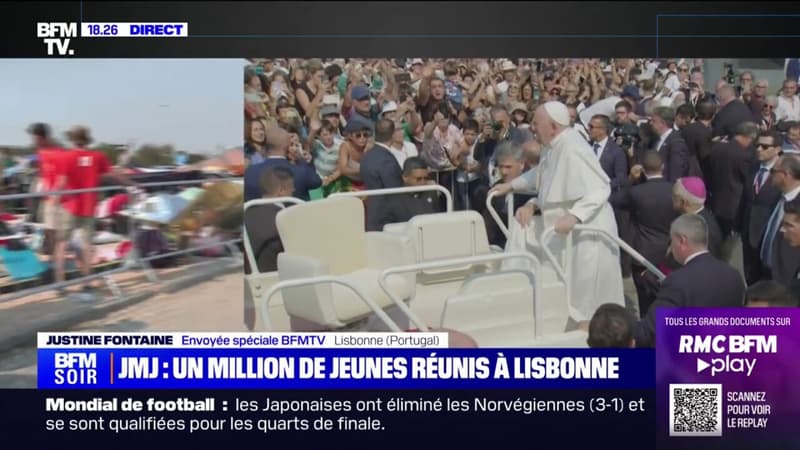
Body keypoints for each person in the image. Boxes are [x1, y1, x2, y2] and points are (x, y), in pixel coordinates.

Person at [492, 101, 625, 320]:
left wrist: (575, 215)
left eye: (536, 123)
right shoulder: (553, 146)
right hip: (565, 231)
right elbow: (544, 175)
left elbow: (601, 187)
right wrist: (511, 185)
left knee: (589, 294)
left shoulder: (572, 147)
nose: (532, 128)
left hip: (587, 230)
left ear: (553, 126)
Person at [633, 214, 745, 348]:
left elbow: (651, 330)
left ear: (682, 241)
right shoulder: (733, 275)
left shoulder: (678, 281)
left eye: (672, 240)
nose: (670, 247)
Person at [613, 151, 678, 316]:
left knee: (645, 300)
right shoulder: (675, 190)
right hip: (670, 252)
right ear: (663, 167)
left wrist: (630, 180)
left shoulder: (636, 192)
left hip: (642, 252)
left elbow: (615, 200)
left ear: (642, 170)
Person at [243, 166, 295, 331]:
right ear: (281, 190)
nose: (293, 192)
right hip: (280, 284)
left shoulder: (247, 214)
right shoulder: (285, 219)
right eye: (291, 189)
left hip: (253, 282)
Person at [28, 122, 72, 296]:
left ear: (44, 137)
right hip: (47, 202)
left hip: (60, 202)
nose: (34, 141)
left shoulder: (59, 153)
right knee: (50, 240)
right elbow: (42, 175)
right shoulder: (40, 153)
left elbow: (63, 177)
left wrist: (55, 196)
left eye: (36, 138)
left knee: (60, 242)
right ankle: (55, 275)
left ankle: (60, 282)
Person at [738, 130, 783, 284]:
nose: (759, 149)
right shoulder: (754, 166)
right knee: (750, 278)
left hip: (767, 237)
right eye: (757, 145)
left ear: (777, 149)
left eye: (765, 146)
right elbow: (745, 198)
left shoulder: (784, 172)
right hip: (747, 233)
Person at [243, 126, 321, 202]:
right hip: (293, 214)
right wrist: (302, 160)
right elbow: (316, 182)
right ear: (286, 146)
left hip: (260, 215)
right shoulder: (301, 172)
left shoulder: (249, 173)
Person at [760, 154, 800, 287]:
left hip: (785, 277)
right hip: (762, 268)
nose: (770, 174)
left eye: (773, 171)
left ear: (786, 175)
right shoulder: (775, 194)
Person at [360, 119, 404, 231]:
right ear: (393, 134)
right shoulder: (387, 160)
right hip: (387, 217)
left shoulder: (367, 156)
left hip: (372, 212)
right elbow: (395, 190)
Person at [672, 177, 723, 259]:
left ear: (684, 202)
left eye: (674, 197)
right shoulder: (683, 214)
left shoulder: (707, 231)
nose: (671, 199)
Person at [382, 157, 438, 226]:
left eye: (426, 178)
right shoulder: (393, 200)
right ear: (405, 177)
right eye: (418, 179)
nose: (423, 182)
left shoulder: (431, 193)